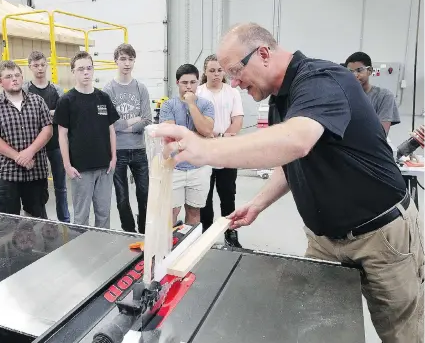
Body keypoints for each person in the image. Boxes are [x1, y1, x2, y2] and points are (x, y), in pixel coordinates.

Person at [151, 22, 423, 343]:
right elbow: (292, 162)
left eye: (235, 71)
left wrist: (204, 149)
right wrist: (258, 203)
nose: (234, 83)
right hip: (325, 240)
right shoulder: (281, 98)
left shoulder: (322, 80)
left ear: (263, 53)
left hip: (381, 236)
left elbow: (298, 142)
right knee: (316, 328)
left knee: (401, 333)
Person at [54, 51, 120, 229]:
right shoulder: (66, 101)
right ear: (73, 72)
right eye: (81, 69)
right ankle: (81, 255)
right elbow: (62, 135)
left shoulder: (103, 98)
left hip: (105, 168)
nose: (86, 72)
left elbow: (111, 130)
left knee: (104, 214)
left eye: (89, 68)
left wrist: (113, 158)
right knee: (81, 217)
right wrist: (67, 165)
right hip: (80, 170)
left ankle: (102, 251)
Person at [0, 60, 53, 218]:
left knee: (38, 220)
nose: (14, 79)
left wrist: (30, 152)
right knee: (7, 223)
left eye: (17, 75)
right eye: (8, 76)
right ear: (0, 82)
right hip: (7, 174)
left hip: (35, 171)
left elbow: (47, 130)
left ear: (22, 78)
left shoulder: (37, 101)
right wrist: (18, 157)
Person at [102, 43, 152, 233]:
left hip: (139, 149)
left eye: (130, 59)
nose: (127, 63)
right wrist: (133, 120)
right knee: (122, 197)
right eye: (123, 59)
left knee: (145, 194)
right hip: (118, 151)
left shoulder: (141, 88)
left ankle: (143, 229)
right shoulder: (108, 90)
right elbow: (110, 124)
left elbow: (147, 119)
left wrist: (125, 125)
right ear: (116, 61)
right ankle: (129, 231)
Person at [196, 54, 244, 247]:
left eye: (219, 70)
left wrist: (223, 138)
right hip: (205, 153)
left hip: (227, 154)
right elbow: (196, 122)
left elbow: (238, 120)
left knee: (227, 196)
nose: (216, 74)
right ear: (205, 72)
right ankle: (205, 236)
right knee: (204, 199)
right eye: (212, 70)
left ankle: (230, 235)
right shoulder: (198, 93)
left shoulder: (232, 92)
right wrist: (210, 138)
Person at [159, 64, 214, 226]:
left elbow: (207, 130)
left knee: (194, 211)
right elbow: (172, 136)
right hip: (174, 168)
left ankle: (189, 247)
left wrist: (191, 104)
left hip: (199, 169)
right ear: (177, 83)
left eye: (193, 82)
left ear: (198, 82)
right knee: (171, 213)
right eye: (184, 83)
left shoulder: (206, 105)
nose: (189, 87)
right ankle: (168, 249)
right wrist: (200, 137)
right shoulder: (168, 105)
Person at [22, 51, 71, 223]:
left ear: (47, 65)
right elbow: (26, 116)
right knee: (39, 186)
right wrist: (49, 114)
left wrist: (46, 114)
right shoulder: (25, 90)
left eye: (42, 64)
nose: (40, 68)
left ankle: (64, 220)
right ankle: (43, 220)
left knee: (61, 186)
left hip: (56, 143)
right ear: (30, 67)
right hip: (37, 145)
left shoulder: (56, 90)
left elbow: (64, 114)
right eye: (36, 65)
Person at [344, 51, 400, 136]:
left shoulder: (384, 96)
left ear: (369, 71)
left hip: (370, 147)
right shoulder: (342, 95)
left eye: (359, 70)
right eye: (350, 72)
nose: (355, 75)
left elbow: (381, 133)